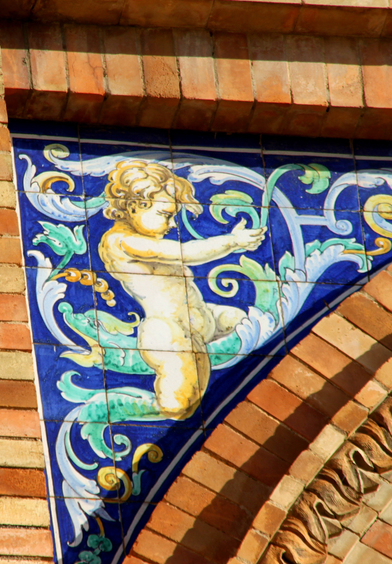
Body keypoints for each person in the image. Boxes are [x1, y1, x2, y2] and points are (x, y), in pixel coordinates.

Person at [98, 160, 266, 420]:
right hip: (168, 332)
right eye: (166, 214)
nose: (172, 225)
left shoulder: (146, 239)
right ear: (134, 206)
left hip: (203, 321)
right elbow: (183, 253)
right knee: (181, 402)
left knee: (253, 325)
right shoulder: (120, 241)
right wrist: (232, 241)